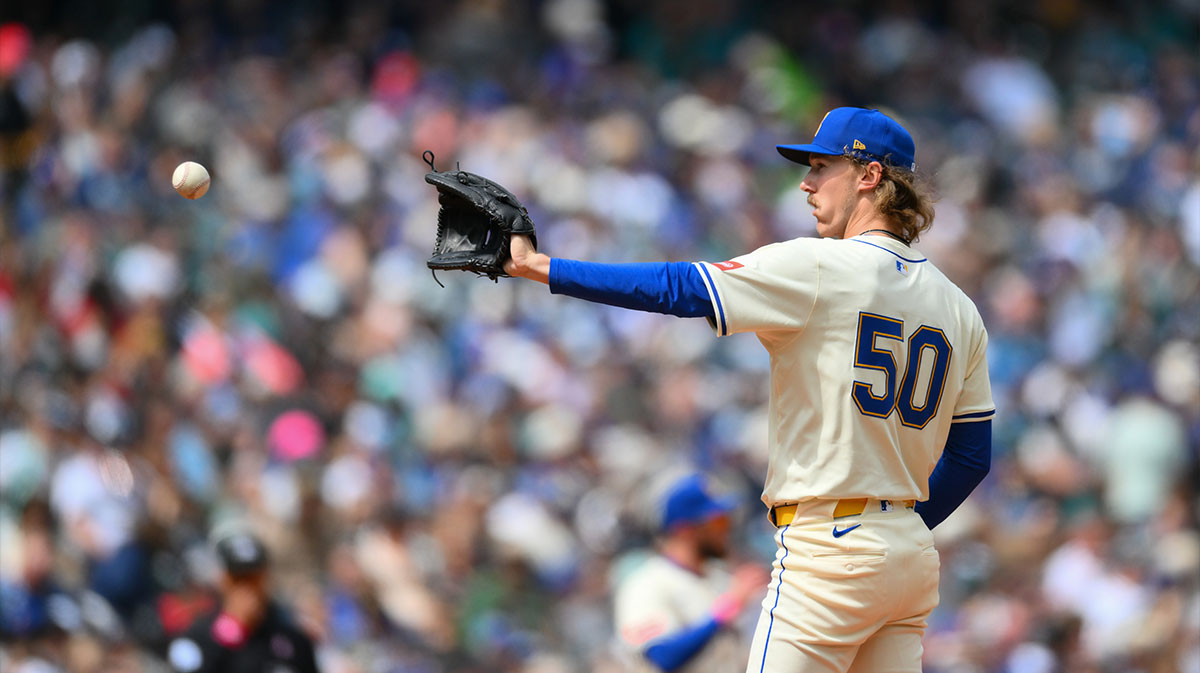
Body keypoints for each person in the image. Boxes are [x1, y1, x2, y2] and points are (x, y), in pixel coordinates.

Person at [504, 107, 994, 672]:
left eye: (821, 167)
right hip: (910, 556)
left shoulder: (819, 266)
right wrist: (898, 526)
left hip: (830, 544)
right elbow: (971, 456)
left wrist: (542, 267)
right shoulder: (961, 309)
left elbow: (679, 287)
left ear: (870, 176)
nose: (806, 184)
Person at [613, 474, 768, 672]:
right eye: (717, 522)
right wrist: (728, 607)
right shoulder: (645, 585)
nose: (726, 529)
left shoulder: (719, 579)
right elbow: (660, 657)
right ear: (685, 530)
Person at [165, 532, 321, 673]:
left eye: (254, 579)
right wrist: (230, 632)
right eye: (238, 580)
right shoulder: (194, 640)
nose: (247, 589)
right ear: (222, 581)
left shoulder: (295, 641)